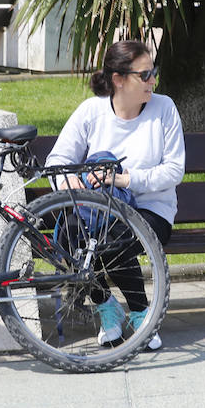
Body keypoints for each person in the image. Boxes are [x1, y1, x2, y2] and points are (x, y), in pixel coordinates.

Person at [45, 40, 185, 350]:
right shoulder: (92, 111)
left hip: (152, 209)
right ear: (119, 79)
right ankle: (106, 305)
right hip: (97, 210)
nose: (153, 81)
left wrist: (124, 180)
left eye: (153, 72)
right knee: (71, 237)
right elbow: (57, 161)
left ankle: (139, 313)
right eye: (145, 74)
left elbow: (174, 171)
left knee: (113, 238)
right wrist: (69, 183)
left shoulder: (164, 109)